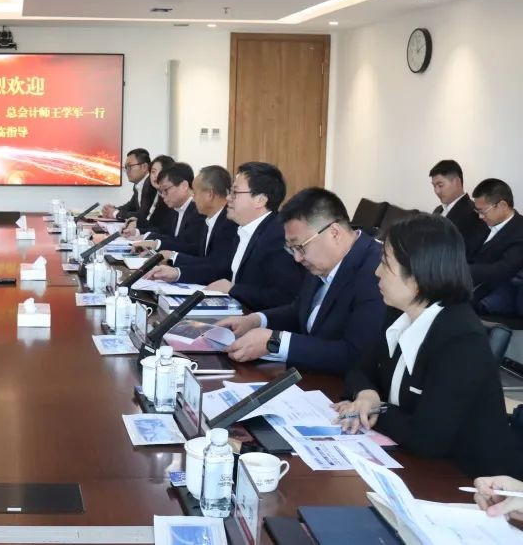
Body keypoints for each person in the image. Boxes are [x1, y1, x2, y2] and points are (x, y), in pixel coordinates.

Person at [335, 214, 523, 478]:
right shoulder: (399, 312)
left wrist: (376, 410)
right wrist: (367, 395)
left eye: (385, 264)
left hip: (467, 480)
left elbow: (427, 438)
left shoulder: (461, 339)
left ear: (417, 277)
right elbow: (359, 370)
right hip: (409, 463)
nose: (377, 272)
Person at [219, 188, 385, 374]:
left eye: (300, 247)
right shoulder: (321, 260)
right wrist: (255, 320)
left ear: (334, 233)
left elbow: (354, 354)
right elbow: (299, 310)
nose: (297, 258)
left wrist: (275, 342)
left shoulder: (376, 271)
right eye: (292, 249)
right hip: (307, 374)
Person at [145, 162, 304, 312]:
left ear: (260, 200)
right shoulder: (243, 230)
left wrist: (233, 289)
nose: (228, 198)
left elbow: (283, 298)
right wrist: (177, 273)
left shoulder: (278, 236)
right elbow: (220, 269)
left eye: (235, 192)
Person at [140, 165, 237, 279]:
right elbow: (200, 256)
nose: (193, 198)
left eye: (195, 193)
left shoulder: (229, 223)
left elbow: (217, 268)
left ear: (210, 194)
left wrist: (176, 268)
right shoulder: (210, 219)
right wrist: (173, 262)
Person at [468, 178, 523, 315]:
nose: (480, 217)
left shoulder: (520, 229)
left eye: (483, 211)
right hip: (464, 285)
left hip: (488, 296)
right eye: (477, 211)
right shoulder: (483, 223)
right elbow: (468, 250)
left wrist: (461, 270)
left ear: (502, 205)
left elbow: (503, 269)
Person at [128, 162, 203, 249]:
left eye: (166, 190)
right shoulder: (176, 208)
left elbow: (188, 245)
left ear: (184, 186)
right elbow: (165, 232)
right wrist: (138, 233)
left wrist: (156, 244)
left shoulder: (199, 210)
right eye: (161, 191)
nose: (163, 195)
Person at [429, 159, 486, 246]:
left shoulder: (474, 214)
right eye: (434, 186)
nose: (437, 191)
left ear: (457, 182)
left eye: (440, 185)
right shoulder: (437, 210)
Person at [102, 148, 157, 222]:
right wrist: (113, 210)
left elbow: (143, 215)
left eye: (130, 166)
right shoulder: (138, 184)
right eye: (126, 167)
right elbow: (131, 206)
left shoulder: (151, 185)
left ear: (144, 167)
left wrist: (115, 213)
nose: (127, 171)